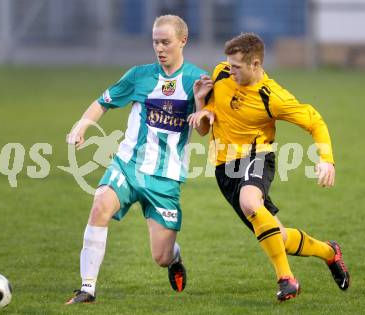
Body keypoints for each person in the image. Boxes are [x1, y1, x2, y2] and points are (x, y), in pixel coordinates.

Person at [188, 33, 350, 301]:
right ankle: (329, 252)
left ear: (255, 64)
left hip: (257, 156)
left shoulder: (273, 96)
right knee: (279, 236)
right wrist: (202, 106)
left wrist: (326, 159)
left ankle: (287, 279)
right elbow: (206, 129)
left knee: (250, 202)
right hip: (223, 168)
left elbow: (315, 122)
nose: (230, 71)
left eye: (237, 67)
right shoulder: (221, 73)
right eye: (229, 64)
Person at [65, 15, 207, 304]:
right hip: (127, 165)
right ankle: (87, 288)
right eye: (155, 42)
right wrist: (82, 124)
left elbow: (204, 131)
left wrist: (202, 103)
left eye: (166, 42)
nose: (160, 48)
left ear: (183, 41)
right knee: (100, 206)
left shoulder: (197, 79)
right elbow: (103, 101)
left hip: (165, 179)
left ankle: (175, 256)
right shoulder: (139, 76)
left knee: (161, 256)